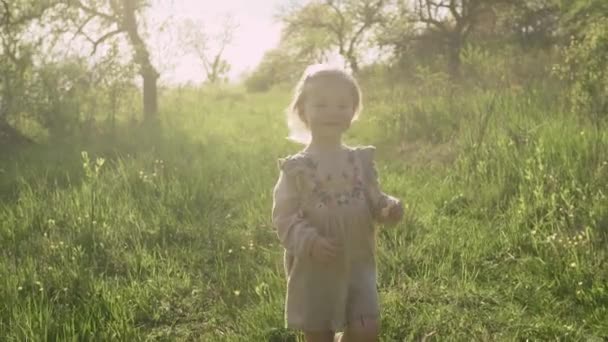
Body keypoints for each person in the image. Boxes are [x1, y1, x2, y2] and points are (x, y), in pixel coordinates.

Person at [271, 64, 404, 342]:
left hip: (358, 262)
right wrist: (310, 242)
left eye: (342, 104)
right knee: (319, 334)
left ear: (353, 112)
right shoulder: (297, 169)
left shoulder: (360, 162)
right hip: (315, 268)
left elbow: (373, 198)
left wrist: (388, 207)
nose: (333, 111)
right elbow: (284, 219)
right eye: (321, 104)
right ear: (302, 112)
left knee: (367, 330)